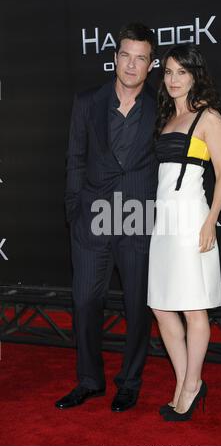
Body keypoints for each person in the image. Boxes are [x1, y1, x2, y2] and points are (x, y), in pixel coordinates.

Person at [55, 23, 158, 412]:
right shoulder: (87, 102)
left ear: (150, 65)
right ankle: (89, 380)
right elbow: (75, 158)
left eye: (141, 58)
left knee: (136, 307)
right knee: (84, 302)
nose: (132, 65)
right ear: (115, 58)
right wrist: (74, 211)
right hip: (92, 217)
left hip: (136, 215)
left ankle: (129, 383)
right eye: (126, 55)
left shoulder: (160, 104)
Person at [147, 43, 221, 421]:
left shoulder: (208, 118)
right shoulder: (165, 119)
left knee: (195, 309)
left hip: (191, 222)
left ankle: (192, 386)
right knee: (161, 307)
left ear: (195, 75)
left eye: (181, 71)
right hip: (163, 224)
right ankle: (185, 382)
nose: (174, 79)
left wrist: (210, 219)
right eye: (167, 72)